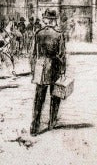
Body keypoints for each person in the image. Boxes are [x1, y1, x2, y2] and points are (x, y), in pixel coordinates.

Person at [30, 8, 67, 137]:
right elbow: (62, 54)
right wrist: (63, 70)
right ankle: (52, 123)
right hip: (54, 66)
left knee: (38, 98)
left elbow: (33, 54)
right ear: (54, 20)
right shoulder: (58, 34)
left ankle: (34, 127)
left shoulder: (38, 33)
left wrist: (33, 69)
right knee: (55, 95)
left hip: (40, 67)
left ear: (45, 20)